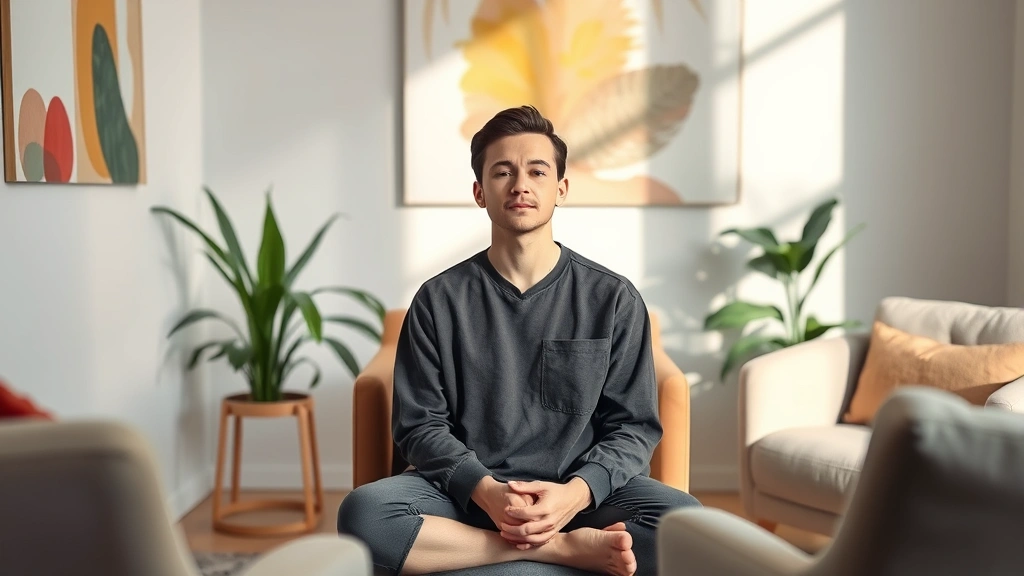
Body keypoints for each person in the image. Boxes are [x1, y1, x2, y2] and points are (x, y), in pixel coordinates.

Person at [338, 105, 700, 575]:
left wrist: (574, 495)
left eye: (536, 171)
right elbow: (419, 426)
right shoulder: (437, 300)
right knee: (364, 514)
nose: (520, 185)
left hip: (581, 500)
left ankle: (488, 548)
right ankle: (564, 552)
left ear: (561, 188)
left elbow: (634, 428)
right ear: (479, 192)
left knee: (685, 524)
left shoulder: (612, 298)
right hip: (463, 496)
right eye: (502, 172)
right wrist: (488, 492)